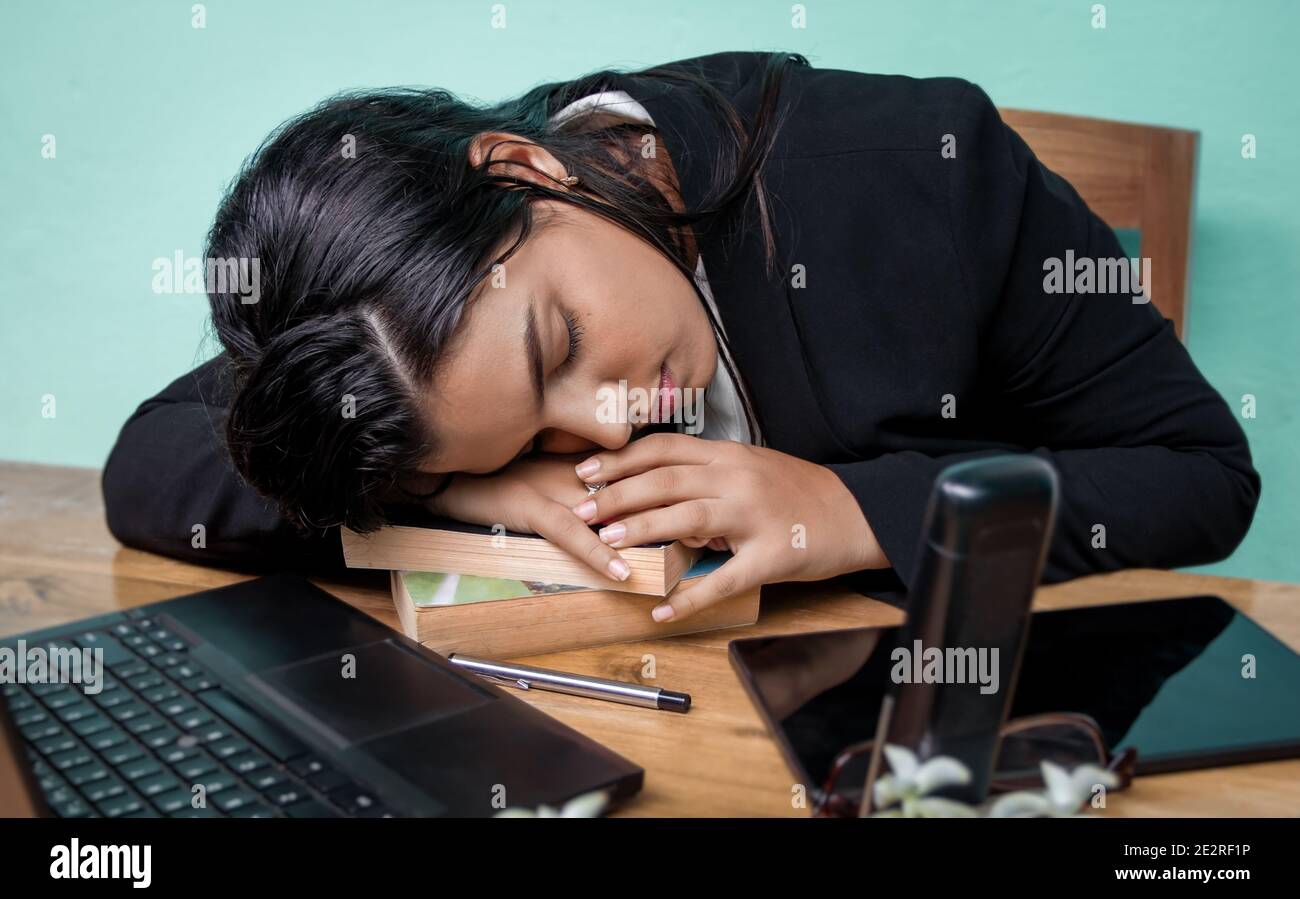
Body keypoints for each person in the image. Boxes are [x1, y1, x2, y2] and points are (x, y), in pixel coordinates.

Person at [102, 51, 1260, 622]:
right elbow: (149, 464)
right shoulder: (398, 307)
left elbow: (1197, 476)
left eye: (557, 350)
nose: (611, 418)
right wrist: (451, 489)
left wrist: (848, 511)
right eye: (517, 441)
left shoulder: (924, 167)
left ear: (524, 168)